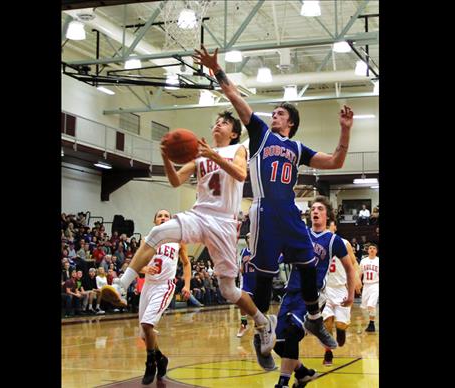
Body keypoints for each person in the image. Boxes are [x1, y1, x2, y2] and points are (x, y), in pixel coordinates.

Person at [193, 45, 354, 351]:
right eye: (274, 113)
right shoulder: (260, 134)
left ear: (290, 122)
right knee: (264, 281)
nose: (274, 116)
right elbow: (234, 97)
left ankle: (315, 319)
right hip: (264, 212)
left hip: (290, 213)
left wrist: (345, 131)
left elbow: (335, 162)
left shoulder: (297, 148)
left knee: (308, 267)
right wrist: (216, 69)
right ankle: (261, 330)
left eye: (279, 113)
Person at [118, 111, 277, 371]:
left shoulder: (238, 149)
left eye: (224, 122)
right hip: (198, 214)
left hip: (224, 222)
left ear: (234, 133)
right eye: (216, 122)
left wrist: (212, 155)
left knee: (228, 290)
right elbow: (175, 181)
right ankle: (121, 285)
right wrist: (166, 158)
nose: (218, 125)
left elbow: (240, 175)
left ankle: (262, 321)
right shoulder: (198, 153)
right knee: (157, 234)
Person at [273, 196, 355, 388]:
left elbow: (350, 268)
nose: (315, 212)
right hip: (291, 292)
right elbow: (283, 255)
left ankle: (283, 382)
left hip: (312, 297)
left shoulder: (334, 240)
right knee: (277, 341)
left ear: (327, 215)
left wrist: (351, 295)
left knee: (293, 333)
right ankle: (302, 373)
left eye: (320, 209)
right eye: (313, 209)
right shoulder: (301, 233)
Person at [137, 209, 192, 385]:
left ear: (170, 221)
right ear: (155, 221)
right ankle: (161, 358)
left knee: (147, 324)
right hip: (148, 286)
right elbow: (137, 264)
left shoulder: (178, 240)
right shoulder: (147, 240)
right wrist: (144, 269)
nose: (163, 218)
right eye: (159, 216)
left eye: (166, 216)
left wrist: (188, 284)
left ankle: (150, 363)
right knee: (145, 334)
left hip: (164, 285)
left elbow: (186, 263)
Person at [321, 220, 362, 366]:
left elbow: (354, 263)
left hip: (340, 288)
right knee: (327, 322)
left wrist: (357, 276)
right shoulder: (316, 243)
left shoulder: (344, 243)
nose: (326, 227)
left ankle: (341, 330)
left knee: (340, 324)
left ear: (335, 227)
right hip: (324, 289)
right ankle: (328, 352)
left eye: (329, 224)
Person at [237, 232, 256, 338]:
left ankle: (261, 325)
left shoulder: (259, 250)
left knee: (258, 305)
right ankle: (243, 324)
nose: (250, 238)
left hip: (257, 280)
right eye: (248, 236)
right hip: (247, 281)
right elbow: (241, 268)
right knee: (242, 302)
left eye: (251, 236)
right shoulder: (244, 251)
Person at [359, 243, 379, 332]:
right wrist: (358, 283)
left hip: (375, 284)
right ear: (368, 250)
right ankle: (371, 322)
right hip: (366, 285)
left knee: (371, 305)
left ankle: (372, 324)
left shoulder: (378, 260)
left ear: (376, 251)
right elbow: (360, 273)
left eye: (374, 248)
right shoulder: (363, 261)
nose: (371, 249)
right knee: (365, 306)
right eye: (370, 248)